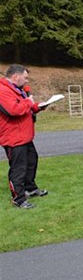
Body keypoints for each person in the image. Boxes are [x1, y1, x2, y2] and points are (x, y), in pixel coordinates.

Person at [0, 64, 48, 209]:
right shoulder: (3, 91)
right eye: (25, 78)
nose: (27, 81)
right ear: (16, 76)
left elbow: (26, 106)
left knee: (32, 161)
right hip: (13, 137)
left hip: (24, 136)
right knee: (18, 169)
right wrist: (29, 102)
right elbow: (13, 110)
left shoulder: (17, 90)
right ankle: (18, 198)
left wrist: (38, 106)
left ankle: (30, 188)